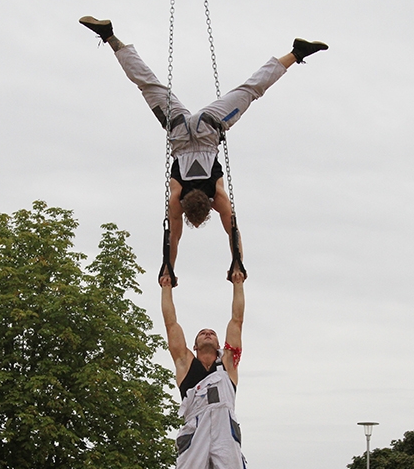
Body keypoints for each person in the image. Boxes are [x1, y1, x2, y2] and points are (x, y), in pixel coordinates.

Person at [80, 16, 328, 283]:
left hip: (209, 125)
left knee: (250, 90)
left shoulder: (215, 195)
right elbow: (178, 236)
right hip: (179, 128)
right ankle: (109, 37)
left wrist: (236, 263)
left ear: (205, 206)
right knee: (148, 84)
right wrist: (170, 267)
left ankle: (296, 52)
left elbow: (227, 231)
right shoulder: (178, 198)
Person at [158, 269, 248, 469]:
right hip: (194, 434)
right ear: (195, 346)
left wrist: (238, 283)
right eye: (203, 332)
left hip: (225, 431)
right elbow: (171, 324)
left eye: (212, 332)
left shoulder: (230, 364)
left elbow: (236, 320)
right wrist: (166, 287)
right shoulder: (185, 364)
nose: (209, 333)